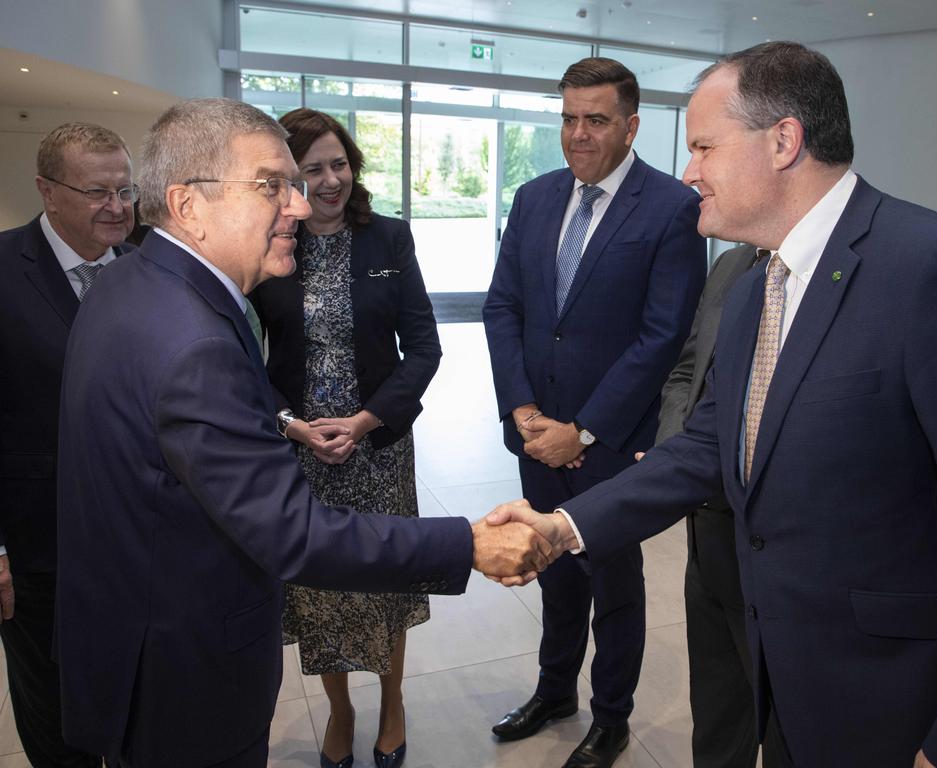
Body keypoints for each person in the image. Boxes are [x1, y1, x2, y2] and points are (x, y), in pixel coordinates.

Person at [489, 41, 937, 768]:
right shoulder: (749, 291)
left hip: (897, 711)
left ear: (783, 142)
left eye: (705, 146)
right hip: (782, 677)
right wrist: (563, 528)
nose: (689, 170)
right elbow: (706, 448)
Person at [54, 97, 551, 768]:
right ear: (189, 205)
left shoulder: (130, 283)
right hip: (183, 673)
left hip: (135, 642)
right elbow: (293, 532)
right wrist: (468, 543)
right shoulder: (190, 337)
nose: (297, 203)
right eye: (272, 185)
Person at [482, 57, 706, 768]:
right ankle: (555, 692)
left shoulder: (672, 208)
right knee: (552, 571)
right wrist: (524, 411)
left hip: (609, 443)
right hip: (535, 432)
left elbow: (662, 336)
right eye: (569, 118)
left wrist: (582, 429)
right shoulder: (535, 197)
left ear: (631, 125)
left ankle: (610, 717)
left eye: (597, 120)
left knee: (613, 583)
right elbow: (504, 308)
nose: (578, 135)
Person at [248, 107, 440, 768]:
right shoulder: (269, 245)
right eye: (313, 168)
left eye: (340, 163)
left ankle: (391, 704)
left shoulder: (389, 239)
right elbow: (241, 358)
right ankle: (339, 709)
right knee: (321, 588)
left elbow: (423, 348)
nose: (332, 179)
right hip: (302, 454)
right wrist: (291, 425)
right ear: (287, 180)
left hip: (377, 447)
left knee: (385, 581)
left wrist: (364, 421)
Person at [0, 121, 137, 768]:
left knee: (135, 717)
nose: (117, 207)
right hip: (39, 554)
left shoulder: (145, 269)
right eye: (97, 192)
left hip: (138, 553)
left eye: (125, 190)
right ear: (47, 191)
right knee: (59, 731)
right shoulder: (2, 270)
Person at [655, 244, 782, 768]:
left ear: (781, 153)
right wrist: (675, 455)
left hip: (781, 556)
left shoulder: (912, 265)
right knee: (716, 715)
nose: (690, 174)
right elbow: (688, 372)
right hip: (707, 537)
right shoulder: (733, 266)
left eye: (707, 154)